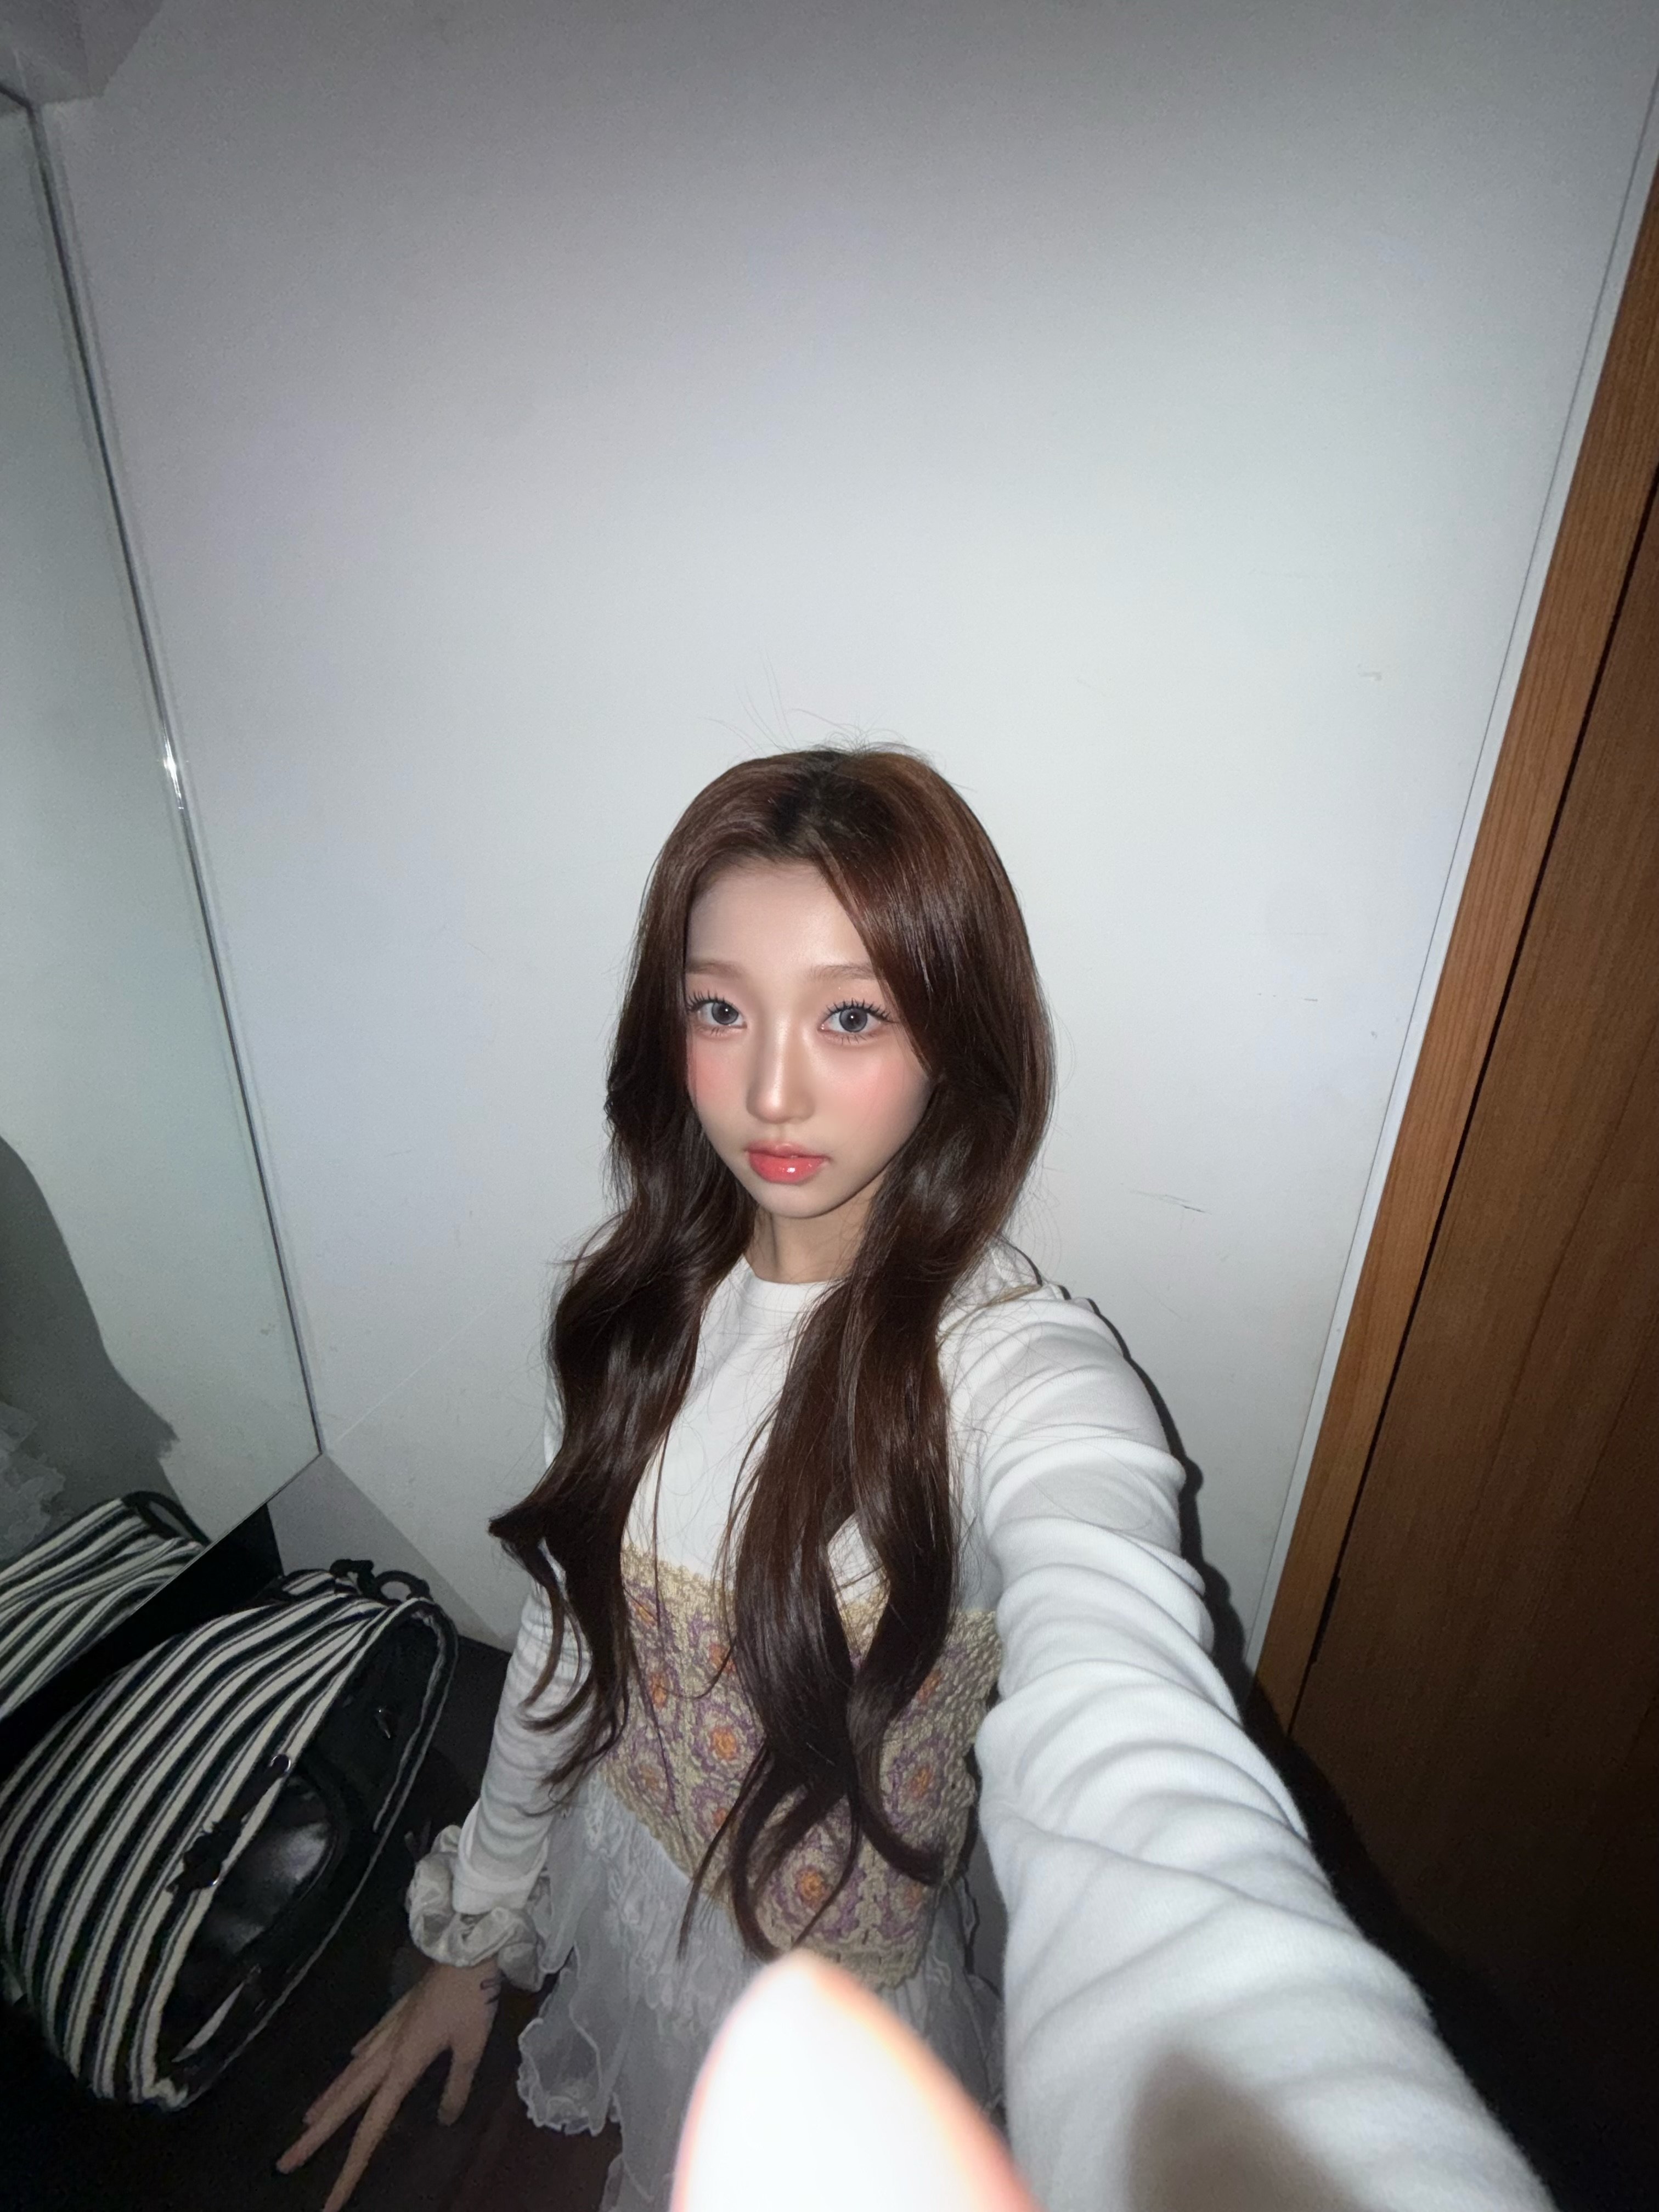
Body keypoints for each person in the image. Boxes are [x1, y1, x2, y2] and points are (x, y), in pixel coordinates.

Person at [279, 748, 1549, 2212]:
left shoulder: (1014, 1372)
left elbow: (1134, 1739)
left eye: (852, 1015)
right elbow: (570, 1635)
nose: (771, 1089)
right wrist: (475, 1937)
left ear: (951, 1036)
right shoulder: (647, 1295)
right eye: (719, 1009)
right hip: (621, 1888)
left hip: (837, 2031)